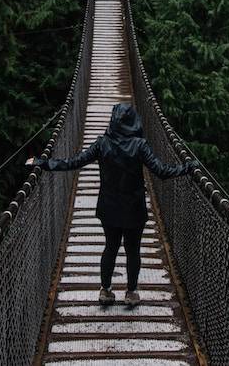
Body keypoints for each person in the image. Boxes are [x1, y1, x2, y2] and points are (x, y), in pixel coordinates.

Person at [25, 102, 198, 306]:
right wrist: (187, 167)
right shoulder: (140, 145)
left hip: (109, 207)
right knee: (133, 250)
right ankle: (131, 292)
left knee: (111, 247)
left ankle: (105, 291)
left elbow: (74, 162)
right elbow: (162, 171)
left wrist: (43, 163)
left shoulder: (102, 143)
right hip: (134, 208)